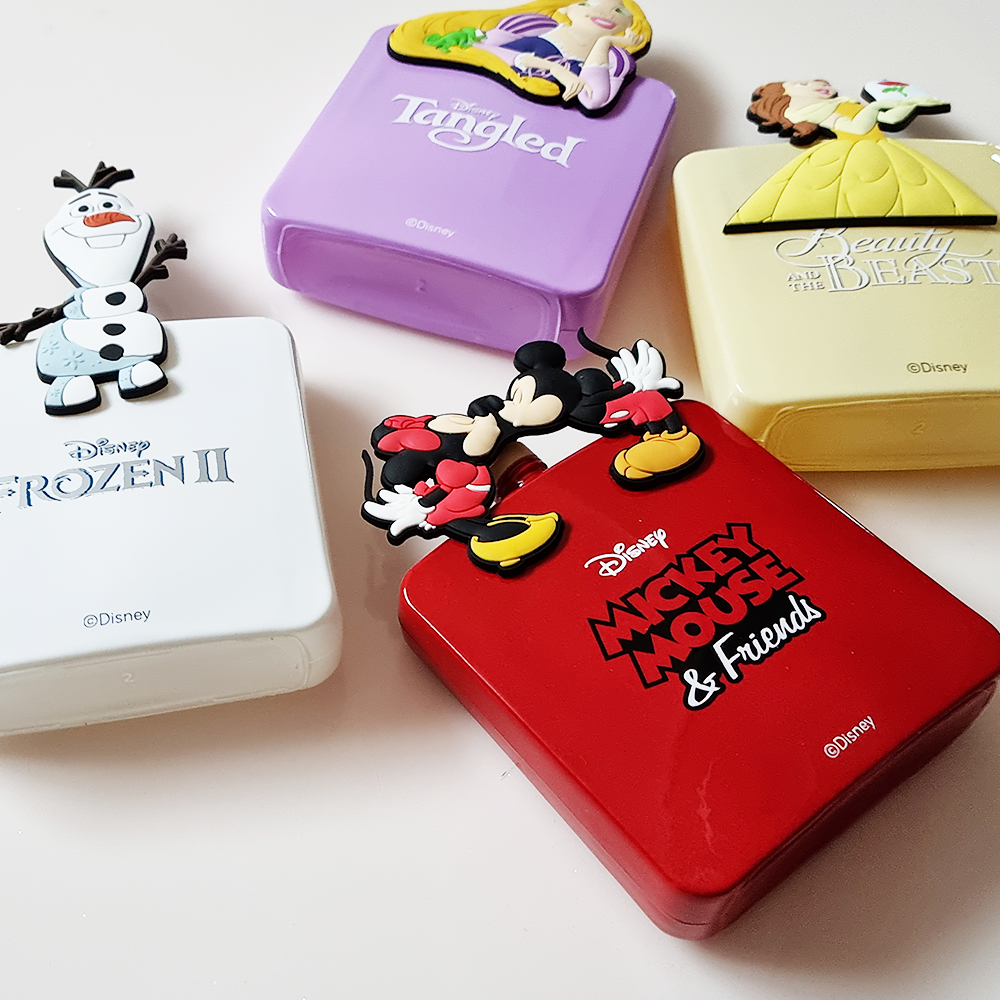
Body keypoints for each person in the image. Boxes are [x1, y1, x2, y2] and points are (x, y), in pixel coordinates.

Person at [724, 78, 997, 233]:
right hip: (851, 156)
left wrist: (910, 104)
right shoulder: (809, 112)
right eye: (802, 84)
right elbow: (856, 128)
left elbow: (889, 120)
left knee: (927, 197)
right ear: (785, 96)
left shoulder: (841, 103)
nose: (817, 83)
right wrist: (877, 107)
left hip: (883, 150)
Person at [388, 1, 651, 114]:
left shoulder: (612, 61)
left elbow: (594, 100)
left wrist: (603, 44)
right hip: (464, 99)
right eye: (590, 4)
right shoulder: (534, 25)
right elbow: (476, 50)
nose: (605, 13)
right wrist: (553, 68)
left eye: (618, 11)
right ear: (567, 9)